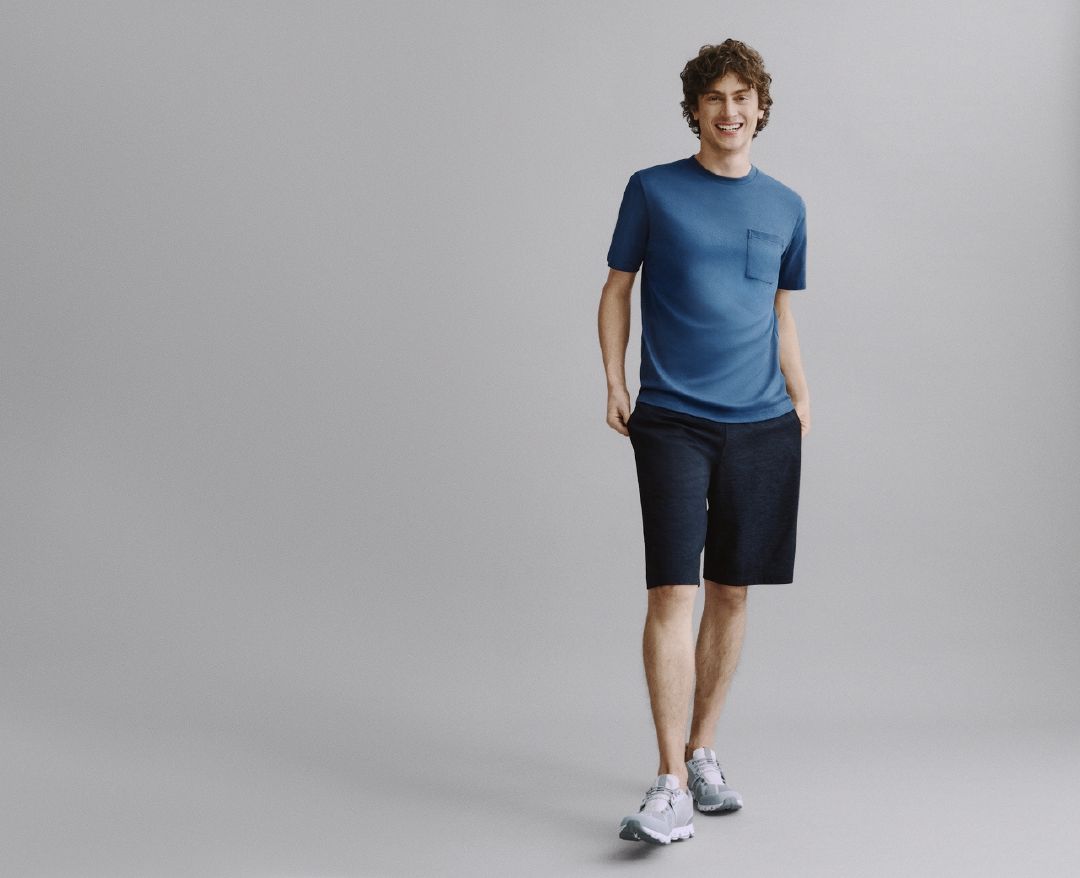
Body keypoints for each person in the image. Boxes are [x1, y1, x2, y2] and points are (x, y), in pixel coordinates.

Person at [599, 40, 811, 845]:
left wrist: (801, 397)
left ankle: (703, 753)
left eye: (742, 97)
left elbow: (779, 311)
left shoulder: (787, 205)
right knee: (671, 593)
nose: (730, 111)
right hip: (672, 420)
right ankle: (667, 783)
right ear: (695, 109)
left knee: (731, 591)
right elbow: (616, 289)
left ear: (760, 108)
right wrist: (615, 380)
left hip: (763, 426)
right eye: (715, 97)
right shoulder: (652, 190)